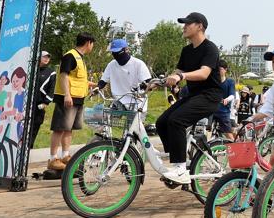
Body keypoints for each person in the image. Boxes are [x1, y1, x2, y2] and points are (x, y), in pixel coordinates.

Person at [155, 13, 223, 180]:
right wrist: (159, 81)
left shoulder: (210, 48)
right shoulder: (186, 50)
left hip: (210, 96)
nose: (183, 27)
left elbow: (203, 73)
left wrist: (181, 77)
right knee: (162, 122)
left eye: (187, 24)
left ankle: (180, 169)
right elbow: (178, 72)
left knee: (176, 120)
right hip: (193, 95)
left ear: (199, 26)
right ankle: (176, 156)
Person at [48, 33, 96, 171]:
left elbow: (77, 79)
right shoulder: (70, 56)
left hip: (78, 99)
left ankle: (65, 155)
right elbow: (63, 76)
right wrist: (67, 95)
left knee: (68, 129)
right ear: (88, 43)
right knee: (59, 128)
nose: (92, 47)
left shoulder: (80, 58)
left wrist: (92, 84)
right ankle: (53, 158)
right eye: (92, 44)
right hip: (68, 98)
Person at [95, 39, 152, 109]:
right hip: (118, 101)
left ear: (126, 50)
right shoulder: (111, 65)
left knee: (133, 120)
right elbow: (103, 81)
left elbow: (149, 82)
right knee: (107, 118)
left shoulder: (138, 64)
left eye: (118, 52)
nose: (115, 55)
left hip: (136, 102)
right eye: (113, 52)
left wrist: (144, 87)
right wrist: (98, 87)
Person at [28, 51, 55, 149]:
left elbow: (51, 89)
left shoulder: (51, 72)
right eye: (44, 57)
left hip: (39, 105)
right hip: (26, 103)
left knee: (35, 126)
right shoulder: (31, 69)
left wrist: (45, 103)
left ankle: (29, 147)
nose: (46, 59)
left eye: (48, 57)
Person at [210, 60, 237, 139]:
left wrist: (227, 100)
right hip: (211, 110)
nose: (218, 71)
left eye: (220, 69)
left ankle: (235, 148)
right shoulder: (213, 81)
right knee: (205, 129)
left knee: (228, 133)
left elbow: (232, 95)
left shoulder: (230, 82)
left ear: (225, 70)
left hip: (223, 111)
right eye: (217, 69)